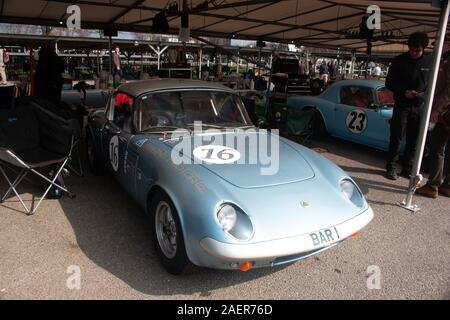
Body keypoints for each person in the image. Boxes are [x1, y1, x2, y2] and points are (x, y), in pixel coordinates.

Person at [384, 32, 432, 180]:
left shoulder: (430, 62)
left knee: (414, 139)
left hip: (419, 106)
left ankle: (408, 167)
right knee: (397, 137)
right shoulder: (399, 60)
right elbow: (389, 83)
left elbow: (432, 84)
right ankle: (391, 167)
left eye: (417, 50)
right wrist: (404, 92)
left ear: (423, 48)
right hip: (402, 104)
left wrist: (421, 94)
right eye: (411, 49)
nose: (414, 52)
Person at [415, 42, 450, 198]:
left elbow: (448, 90)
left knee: (437, 149)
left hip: (445, 114)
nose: (438, 46)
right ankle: (446, 185)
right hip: (445, 112)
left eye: (441, 44)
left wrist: (437, 109)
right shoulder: (445, 60)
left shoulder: (448, 61)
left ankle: (433, 185)